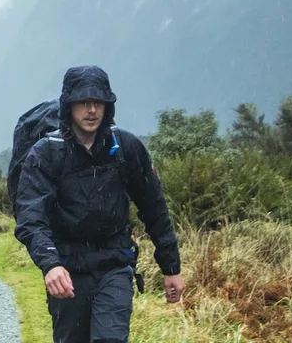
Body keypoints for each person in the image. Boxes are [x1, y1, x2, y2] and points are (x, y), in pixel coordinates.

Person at [13, 65, 184, 343]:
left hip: (115, 266)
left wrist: (171, 268)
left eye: (98, 102)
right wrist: (51, 264)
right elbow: (31, 217)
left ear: (108, 105)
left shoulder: (126, 148)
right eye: (83, 102)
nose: (91, 110)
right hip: (68, 272)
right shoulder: (46, 154)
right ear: (68, 105)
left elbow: (155, 209)